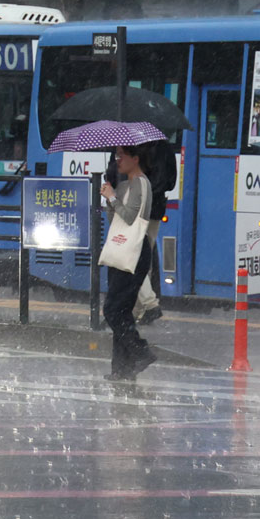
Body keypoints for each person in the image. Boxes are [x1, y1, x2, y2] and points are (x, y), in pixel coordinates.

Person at [100, 144, 158, 381]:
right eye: (116, 156)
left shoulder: (141, 184)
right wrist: (109, 199)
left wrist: (112, 197)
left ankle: (140, 351)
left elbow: (131, 217)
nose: (118, 160)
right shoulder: (124, 184)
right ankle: (121, 368)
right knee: (122, 309)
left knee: (112, 309)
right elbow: (116, 218)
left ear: (136, 158)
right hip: (121, 248)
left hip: (133, 250)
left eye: (121, 156)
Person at [105, 139, 175, 325]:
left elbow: (113, 174)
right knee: (142, 260)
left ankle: (148, 305)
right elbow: (170, 182)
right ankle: (136, 310)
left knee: (130, 259)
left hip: (129, 207)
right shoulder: (164, 146)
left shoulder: (128, 145)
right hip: (155, 210)